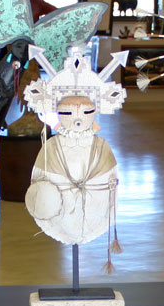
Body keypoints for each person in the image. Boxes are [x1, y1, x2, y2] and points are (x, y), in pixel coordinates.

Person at [25, 95, 118, 245]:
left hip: (93, 209)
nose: (77, 119)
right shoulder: (52, 145)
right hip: (60, 210)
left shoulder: (100, 145)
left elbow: (111, 179)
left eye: (86, 112)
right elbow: (39, 180)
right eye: (68, 112)